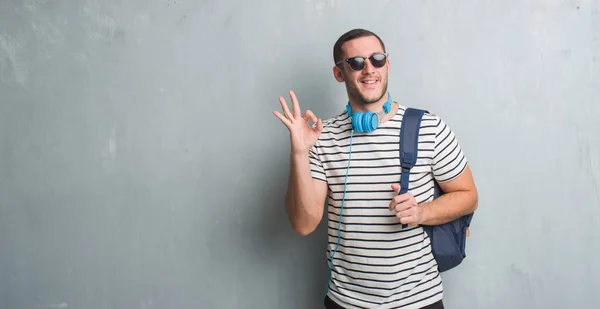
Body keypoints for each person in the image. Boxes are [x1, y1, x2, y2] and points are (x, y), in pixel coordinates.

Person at [273, 28, 478, 309]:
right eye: (356, 62)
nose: (369, 69)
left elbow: (468, 196)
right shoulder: (322, 137)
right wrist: (299, 152)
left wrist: (421, 212)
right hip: (346, 303)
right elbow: (303, 224)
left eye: (377, 59)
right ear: (338, 73)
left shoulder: (429, 128)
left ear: (387, 64)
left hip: (420, 301)